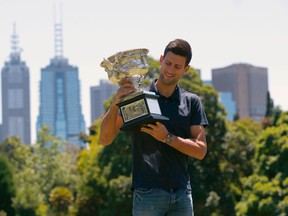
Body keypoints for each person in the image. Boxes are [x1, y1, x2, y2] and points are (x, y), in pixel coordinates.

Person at [99, 38, 208, 216]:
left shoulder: (191, 102)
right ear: (161, 59)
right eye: (168, 63)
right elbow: (105, 139)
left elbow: (200, 150)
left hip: (182, 194)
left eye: (177, 67)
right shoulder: (139, 100)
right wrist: (115, 105)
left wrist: (167, 138)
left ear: (186, 69)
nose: (170, 70)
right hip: (147, 195)